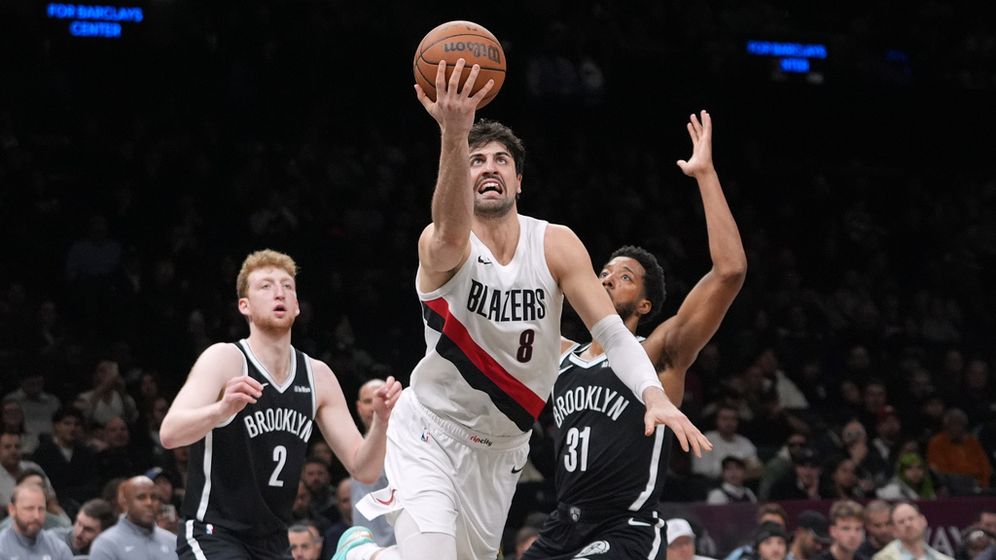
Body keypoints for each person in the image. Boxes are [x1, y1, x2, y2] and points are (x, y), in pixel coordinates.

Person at [339, 61, 711, 560]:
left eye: (500, 160)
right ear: (459, 176)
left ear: (519, 181)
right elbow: (449, 230)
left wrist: (654, 396)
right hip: (430, 429)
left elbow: (615, 335)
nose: (488, 167)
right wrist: (454, 135)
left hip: (501, 451)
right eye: (476, 161)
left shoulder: (555, 245)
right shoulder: (442, 243)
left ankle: (368, 554)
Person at [522, 109, 742, 559]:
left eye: (623, 277)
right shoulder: (559, 353)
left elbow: (730, 271)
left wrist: (705, 174)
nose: (604, 280)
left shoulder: (659, 353)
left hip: (625, 528)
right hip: (563, 523)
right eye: (602, 273)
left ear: (644, 305)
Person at [159, 249, 402, 559]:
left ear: (297, 306)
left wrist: (380, 423)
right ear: (243, 306)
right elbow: (170, 433)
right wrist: (221, 411)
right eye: (266, 286)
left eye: (287, 286)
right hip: (214, 532)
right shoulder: (224, 359)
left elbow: (363, 469)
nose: (279, 292)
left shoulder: (318, 375)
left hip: (274, 540)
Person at [349, 379, 396, 547]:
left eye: (380, 399)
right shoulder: (352, 447)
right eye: (367, 401)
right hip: (361, 544)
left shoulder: (403, 447)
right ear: (358, 407)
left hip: (394, 547)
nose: (373, 406)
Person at [87, 475, 175, 560]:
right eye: (141, 497)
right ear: (125, 503)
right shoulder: (106, 544)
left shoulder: (173, 541)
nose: (149, 503)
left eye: (154, 497)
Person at [0, 481, 73, 559]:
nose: (36, 516)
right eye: (29, 509)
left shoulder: (58, 548)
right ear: (12, 510)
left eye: (41, 509)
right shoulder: (2, 548)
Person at [873, 502, 954, 560]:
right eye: (901, 522)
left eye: (911, 518)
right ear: (894, 530)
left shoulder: (943, 558)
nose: (908, 524)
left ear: (923, 521)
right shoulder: (882, 558)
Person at [47, 497, 117, 556]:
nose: (78, 534)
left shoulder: (113, 550)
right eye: (78, 523)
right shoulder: (51, 541)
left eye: (88, 530)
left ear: (105, 533)